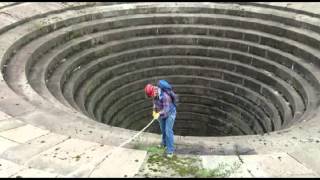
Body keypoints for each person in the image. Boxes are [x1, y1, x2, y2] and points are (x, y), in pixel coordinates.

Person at [144, 80, 177, 158]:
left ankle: (170, 150)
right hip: (161, 114)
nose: (152, 97)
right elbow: (155, 103)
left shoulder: (165, 96)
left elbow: (166, 110)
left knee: (168, 131)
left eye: (152, 95)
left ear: (154, 91)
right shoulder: (155, 94)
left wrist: (158, 113)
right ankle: (164, 143)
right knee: (163, 129)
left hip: (170, 114)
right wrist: (154, 111)